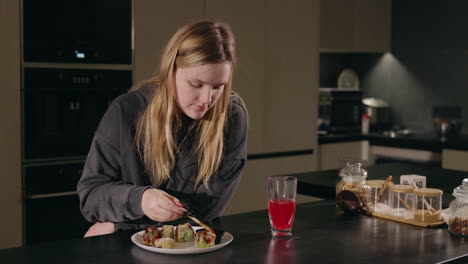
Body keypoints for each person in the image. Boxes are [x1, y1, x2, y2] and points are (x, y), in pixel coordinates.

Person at [77, 20, 248, 237]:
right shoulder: (126, 110)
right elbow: (91, 197)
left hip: (192, 247)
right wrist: (141, 199)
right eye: (196, 84)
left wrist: (121, 225)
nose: (207, 99)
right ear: (170, 71)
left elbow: (207, 208)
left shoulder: (232, 117)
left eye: (217, 87)